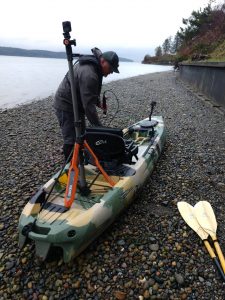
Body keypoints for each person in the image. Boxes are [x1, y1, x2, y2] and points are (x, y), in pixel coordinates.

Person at [53, 48, 119, 161]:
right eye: (111, 68)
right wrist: (100, 129)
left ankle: (82, 159)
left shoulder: (96, 66)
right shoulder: (90, 74)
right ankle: (70, 168)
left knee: (82, 134)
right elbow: (88, 107)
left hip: (77, 104)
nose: (111, 72)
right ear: (103, 61)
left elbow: (88, 92)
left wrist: (98, 102)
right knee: (71, 138)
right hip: (65, 104)